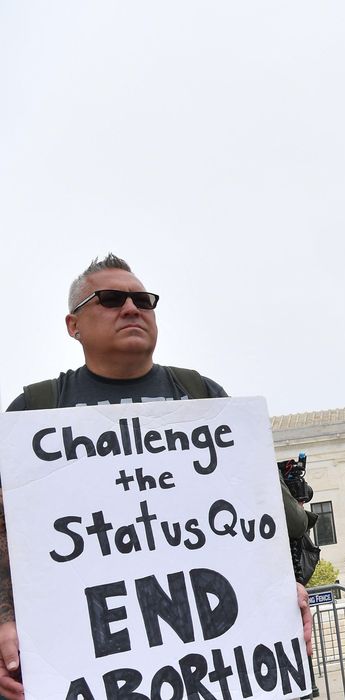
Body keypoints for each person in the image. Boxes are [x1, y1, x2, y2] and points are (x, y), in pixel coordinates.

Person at [0, 253, 313, 699]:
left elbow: (263, 518)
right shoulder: (35, 413)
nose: (131, 308)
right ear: (73, 325)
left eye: (143, 300)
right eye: (110, 299)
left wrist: (285, 590)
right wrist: (4, 622)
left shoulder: (204, 399)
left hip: (217, 660)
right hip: (89, 659)